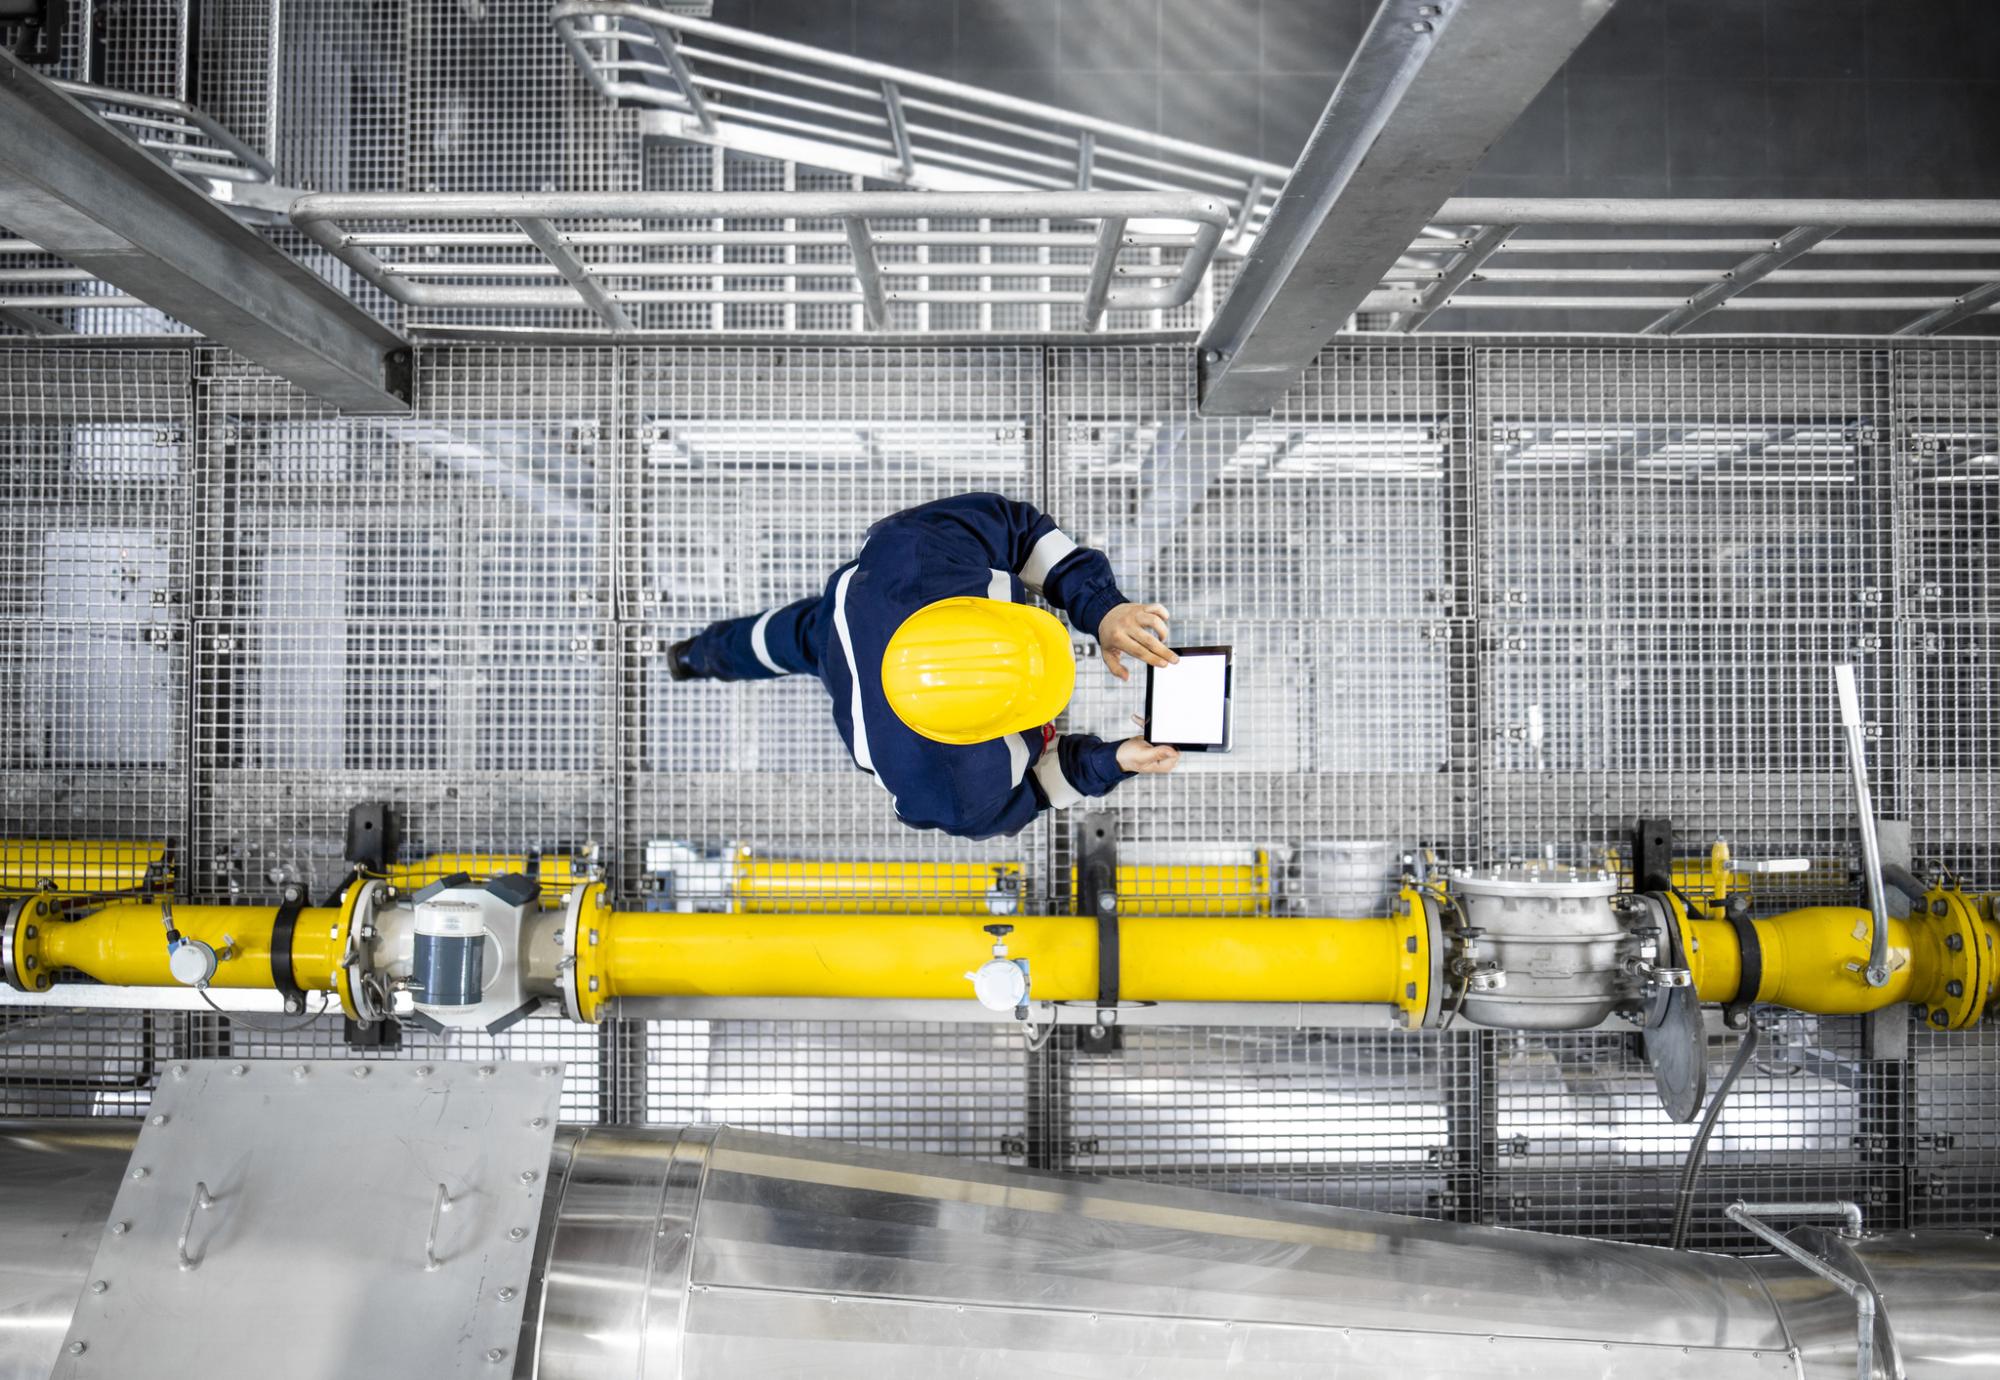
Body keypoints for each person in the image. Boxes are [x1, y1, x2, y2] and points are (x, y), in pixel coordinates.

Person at [670, 492, 1182, 839]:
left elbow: (1020, 532)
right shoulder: (949, 790)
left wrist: (1104, 608)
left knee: (777, 639)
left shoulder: (918, 553)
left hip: (850, 616)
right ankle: (693, 656)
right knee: (791, 638)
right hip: (849, 645)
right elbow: (1037, 792)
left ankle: (695, 656)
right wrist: (1113, 761)